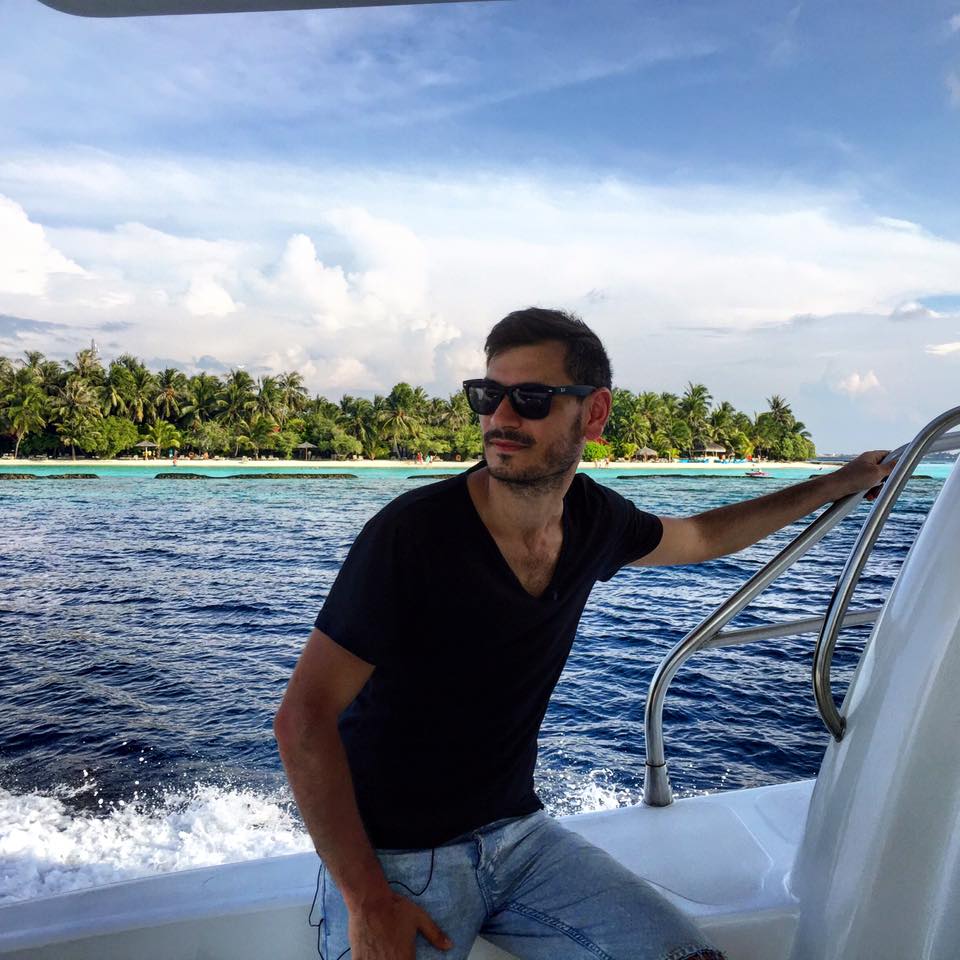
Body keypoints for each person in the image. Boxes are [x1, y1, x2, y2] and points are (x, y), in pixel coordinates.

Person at [274, 308, 893, 960]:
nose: (501, 418)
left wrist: (837, 483)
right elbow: (303, 719)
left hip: (521, 839)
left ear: (594, 414)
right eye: (488, 395)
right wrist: (367, 900)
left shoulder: (594, 518)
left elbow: (702, 536)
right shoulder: (412, 536)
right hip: (397, 861)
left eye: (531, 398)